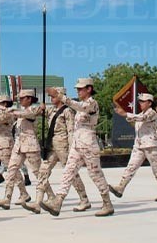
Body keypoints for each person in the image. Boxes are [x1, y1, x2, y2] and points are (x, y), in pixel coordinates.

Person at [40, 78, 114, 217]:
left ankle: (107, 203)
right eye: (77, 89)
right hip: (77, 143)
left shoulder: (92, 103)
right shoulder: (80, 105)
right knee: (68, 171)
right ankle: (58, 201)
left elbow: (79, 107)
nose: (78, 91)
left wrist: (60, 96)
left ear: (89, 89)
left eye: (81, 89)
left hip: (88, 143)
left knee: (95, 174)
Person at [23, 87, 90, 214]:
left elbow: (71, 131)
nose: (51, 99)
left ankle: (84, 199)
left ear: (60, 96)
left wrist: (72, 148)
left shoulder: (67, 111)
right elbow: (36, 113)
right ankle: (37, 202)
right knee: (43, 172)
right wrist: (40, 108)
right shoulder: (51, 110)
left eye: (54, 96)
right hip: (52, 146)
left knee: (72, 173)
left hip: (63, 146)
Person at [108, 93, 157, 202]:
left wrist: (126, 114)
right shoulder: (140, 113)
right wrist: (125, 114)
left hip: (150, 145)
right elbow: (134, 119)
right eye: (140, 101)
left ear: (149, 103)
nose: (140, 103)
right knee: (131, 167)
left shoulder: (152, 113)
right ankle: (121, 187)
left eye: (143, 101)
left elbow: (142, 118)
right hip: (139, 145)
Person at [0, 89, 41, 210]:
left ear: (29, 98)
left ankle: (50, 196)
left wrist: (1, 107)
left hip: (30, 146)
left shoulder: (33, 109)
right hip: (19, 146)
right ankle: (7, 199)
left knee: (39, 174)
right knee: (11, 171)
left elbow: (19, 113)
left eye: (22, 98)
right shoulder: (22, 110)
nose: (20, 100)